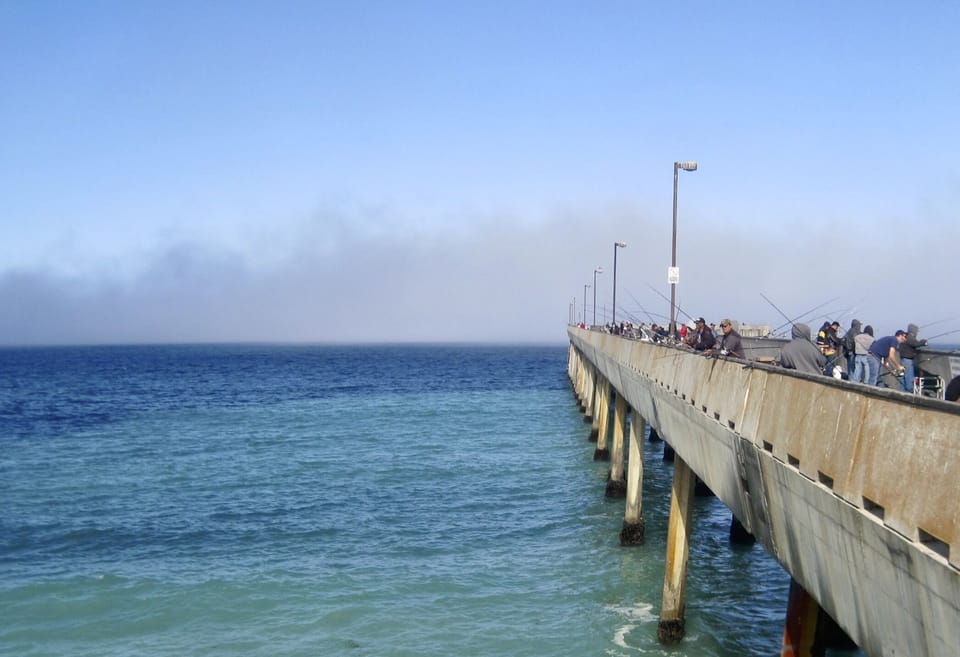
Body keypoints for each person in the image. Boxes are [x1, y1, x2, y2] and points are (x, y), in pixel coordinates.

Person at [899, 323, 927, 393]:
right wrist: (924, 342)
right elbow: (916, 343)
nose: (917, 333)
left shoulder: (905, 336)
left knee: (903, 379)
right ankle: (909, 393)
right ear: (913, 331)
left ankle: (902, 394)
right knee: (909, 379)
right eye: (916, 331)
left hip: (902, 359)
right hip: (907, 361)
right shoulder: (910, 337)